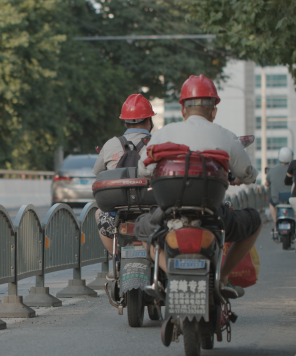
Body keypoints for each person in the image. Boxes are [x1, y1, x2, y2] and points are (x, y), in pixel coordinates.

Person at [136, 74, 261, 299]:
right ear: (214, 110)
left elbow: (143, 169)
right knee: (254, 221)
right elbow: (246, 173)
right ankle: (222, 278)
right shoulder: (226, 136)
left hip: (169, 212)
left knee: (145, 230)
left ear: (183, 109)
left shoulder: (163, 134)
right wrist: (245, 177)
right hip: (213, 214)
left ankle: (171, 274)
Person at [93, 94, 156, 256]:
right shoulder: (159, 142)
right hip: (153, 211)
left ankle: (116, 259)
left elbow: (97, 173)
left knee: (98, 213)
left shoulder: (111, 144)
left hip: (117, 212)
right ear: (149, 121)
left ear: (125, 122)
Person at [267, 147, 293, 227]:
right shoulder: (294, 170)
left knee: (271, 202)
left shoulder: (272, 170)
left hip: (277, 200)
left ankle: (276, 223)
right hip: (292, 200)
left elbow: (267, 183)